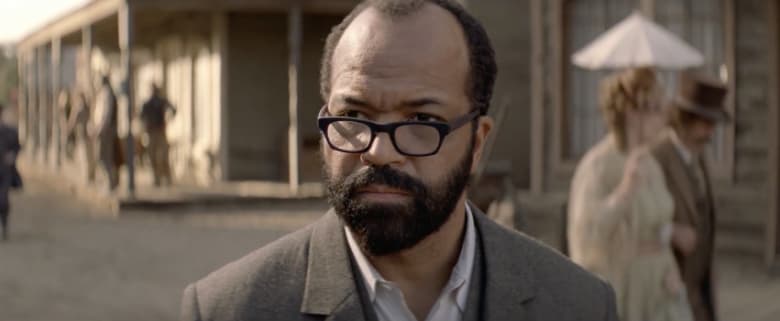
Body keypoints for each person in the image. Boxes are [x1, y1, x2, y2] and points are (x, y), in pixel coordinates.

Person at [180, 1, 618, 320]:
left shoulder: (578, 304)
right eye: (353, 116)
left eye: (421, 119)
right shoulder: (230, 309)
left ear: (478, 142)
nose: (378, 150)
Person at [568, 67, 694, 321]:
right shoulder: (598, 166)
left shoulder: (651, 163)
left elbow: (657, 223)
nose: (664, 118)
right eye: (657, 108)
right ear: (633, 112)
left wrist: (670, 259)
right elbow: (587, 236)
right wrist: (626, 188)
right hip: (625, 289)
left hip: (660, 288)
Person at [650, 72, 729, 321]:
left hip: (699, 290)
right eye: (706, 124)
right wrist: (671, 230)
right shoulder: (656, 158)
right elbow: (640, 220)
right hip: (668, 287)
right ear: (685, 119)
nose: (710, 133)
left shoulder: (699, 156)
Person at [140, 84, 175, 186]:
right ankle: (156, 178)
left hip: (160, 131)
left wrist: (168, 119)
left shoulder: (161, 101)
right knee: (152, 156)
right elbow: (142, 116)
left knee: (163, 156)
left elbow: (172, 109)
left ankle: (167, 177)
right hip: (151, 132)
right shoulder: (147, 104)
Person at [90, 75, 119, 191]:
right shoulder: (102, 94)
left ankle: (110, 182)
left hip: (105, 131)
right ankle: (108, 181)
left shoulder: (107, 94)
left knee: (104, 156)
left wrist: (99, 129)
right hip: (102, 129)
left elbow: (105, 115)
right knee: (102, 157)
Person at [0, 104, 20, 241]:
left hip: (4, 171)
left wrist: (12, 155)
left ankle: (5, 225)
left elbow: (17, 147)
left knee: (3, 200)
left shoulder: (9, 131)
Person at [68, 90, 96, 182]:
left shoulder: (79, 108)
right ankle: (89, 176)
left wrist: (68, 130)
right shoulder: (86, 106)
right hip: (87, 134)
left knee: (85, 157)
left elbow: (72, 121)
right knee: (88, 156)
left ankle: (87, 177)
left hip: (83, 135)